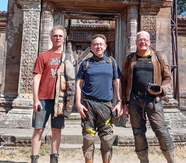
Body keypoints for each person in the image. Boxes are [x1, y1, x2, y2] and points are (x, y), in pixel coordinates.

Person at [120, 31, 175, 163]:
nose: (142, 42)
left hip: (153, 101)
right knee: (138, 133)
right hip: (134, 100)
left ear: (150, 42)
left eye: (145, 40)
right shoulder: (130, 59)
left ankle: (171, 160)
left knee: (161, 131)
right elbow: (124, 80)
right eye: (140, 40)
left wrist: (161, 90)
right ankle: (144, 161)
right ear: (136, 42)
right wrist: (124, 102)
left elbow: (167, 78)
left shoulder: (159, 57)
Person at [75, 34, 123, 163]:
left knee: (107, 139)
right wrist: (78, 103)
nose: (98, 46)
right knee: (88, 138)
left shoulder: (112, 62)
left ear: (105, 46)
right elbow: (79, 84)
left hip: (106, 106)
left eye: (101, 44)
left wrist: (119, 102)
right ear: (91, 47)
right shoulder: (86, 63)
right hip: (88, 105)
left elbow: (117, 82)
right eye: (95, 44)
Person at [31, 25, 75, 163]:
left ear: (64, 39)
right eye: (55, 35)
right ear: (51, 38)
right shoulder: (43, 56)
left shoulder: (67, 57)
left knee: (57, 129)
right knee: (38, 129)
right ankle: (34, 158)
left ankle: (54, 158)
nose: (57, 38)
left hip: (60, 99)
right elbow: (36, 78)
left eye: (60, 36)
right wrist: (35, 99)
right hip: (43, 98)